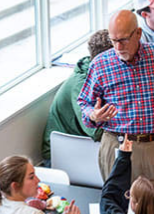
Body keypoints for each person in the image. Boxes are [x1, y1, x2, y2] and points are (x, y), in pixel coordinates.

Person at [78, 9, 154, 186]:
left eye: (123, 40)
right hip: (117, 146)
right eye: (113, 40)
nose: (118, 47)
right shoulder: (100, 64)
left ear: (138, 33)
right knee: (118, 203)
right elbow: (85, 103)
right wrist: (94, 115)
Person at [41, 30, 113, 162]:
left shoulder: (98, 74)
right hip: (63, 153)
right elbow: (95, 132)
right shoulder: (81, 84)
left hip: (82, 147)